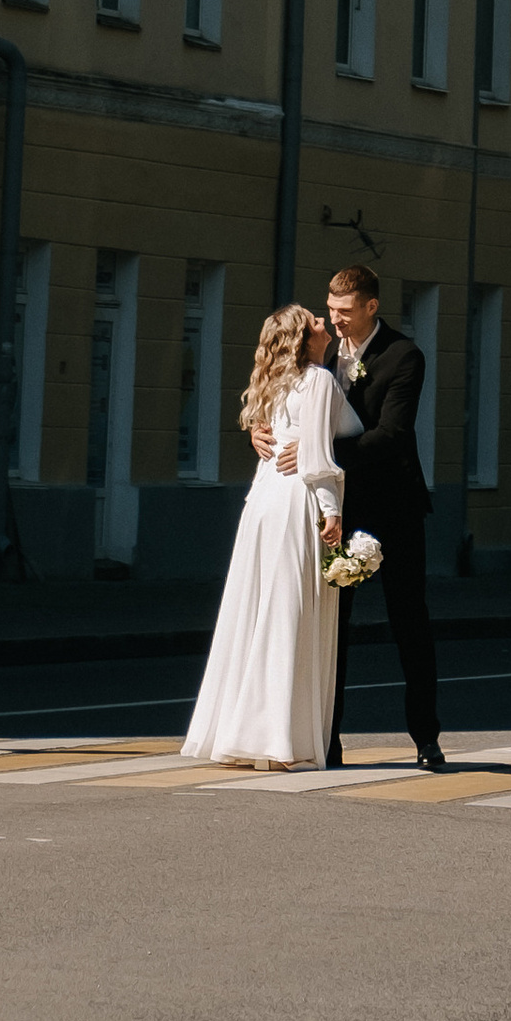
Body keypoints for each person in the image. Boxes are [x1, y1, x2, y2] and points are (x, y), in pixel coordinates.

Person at [275, 262, 445, 769]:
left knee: (409, 621)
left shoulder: (403, 355)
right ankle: (327, 739)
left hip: (394, 507)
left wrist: (317, 452)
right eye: (330, 309)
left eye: (346, 311)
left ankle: (426, 738)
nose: (335, 319)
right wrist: (263, 433)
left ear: (372, 306)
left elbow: (392, 435)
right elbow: (284, 405)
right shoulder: (319, 352)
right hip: (339, 510)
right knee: (333, 627)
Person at [178, 305, 358, 769]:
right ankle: (278, 741)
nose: (324, 323)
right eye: (315, 321)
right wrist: (332, 511)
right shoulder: (318, 380)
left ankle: (238, 732)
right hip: (297, 501)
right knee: (288, 616)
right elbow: (316, 458)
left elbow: (304, 440)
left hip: (262, 503)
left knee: (255, 612)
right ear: (303, 340)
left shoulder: (273, 383)